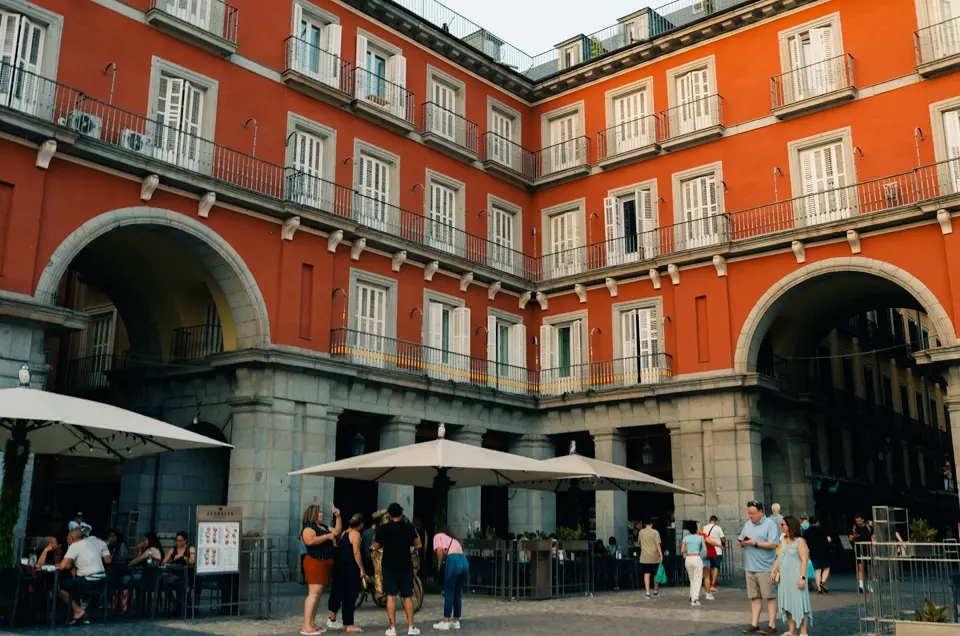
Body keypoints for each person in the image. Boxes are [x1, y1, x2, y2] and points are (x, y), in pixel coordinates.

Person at [373, 502, 423, 636]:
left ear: (389, 515)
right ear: (401, 514)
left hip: (389, 566)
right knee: (407, 597)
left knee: (391, 596)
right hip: (406, 565)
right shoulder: (409, 527)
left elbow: (375, 546)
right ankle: (411, 627)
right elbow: (419, 544)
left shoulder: (383, 529)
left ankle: (392, 628)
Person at [739, 501, 780, 635]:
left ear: (761, 512)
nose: (750, 516)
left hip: (765, 567)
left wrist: (755, 543)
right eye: (749, 513)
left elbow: (773, 544)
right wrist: (743, 543)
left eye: (753, 513)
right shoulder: (747, 524)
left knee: (770, 596)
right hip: (750, 566)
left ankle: (771, 625)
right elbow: (742, 539)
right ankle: (754, 623)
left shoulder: (770, 524)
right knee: (754, 597)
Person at [301, 504, 341, 636]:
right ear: (313, 514)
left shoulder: (323, 527)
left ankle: (312, 623)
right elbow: (310, 541)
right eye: (319, 513)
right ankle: (306, 626)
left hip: (325, 563)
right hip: (315, 562)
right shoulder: (309, 527)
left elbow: (336, 531)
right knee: (314, 593)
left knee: (317, 595)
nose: (322, 515)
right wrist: (326, 537)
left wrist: (338, 516)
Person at [772, 516, 813, 635]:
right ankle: (792, 630)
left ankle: (804, 631)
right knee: (787, 603)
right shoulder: (783, 540)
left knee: (800, 602)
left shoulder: (800, 541)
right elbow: (779, 556)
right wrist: (774, 569)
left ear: (790, 526)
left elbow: (804, 560)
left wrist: (802, 578)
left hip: (797, 575)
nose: (781, 527)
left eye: (783, 524)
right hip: (785, 578)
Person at [58, 529, 108, 625]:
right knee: (73, 582)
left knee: (59, 586)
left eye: (67, 537)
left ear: (72, 538)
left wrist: (57, 564)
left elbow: (63, 566)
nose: (66, 538)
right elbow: (69, 565)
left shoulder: (75, 546)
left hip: (90, 581)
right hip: (101, 581)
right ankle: (78, 612)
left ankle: (78, 611)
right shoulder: (88, 544)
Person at [328, 514, 366, 633]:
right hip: (350, 569)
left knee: (338, 593)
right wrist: (362, 569)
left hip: (341, 568)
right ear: (360, 524)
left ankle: (333, 617)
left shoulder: (345, 533)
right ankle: (348, 624)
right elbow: (356, 553)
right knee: (350, 597)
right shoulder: (356, 534)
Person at [432, 525, 468, 630]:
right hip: (464, 562)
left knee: (449, 591)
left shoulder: (438, 536)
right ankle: (456, 620)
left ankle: (445, 621)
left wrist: (439, 565)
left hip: (453, 561)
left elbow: (439, 550)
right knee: (457, 592)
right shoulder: (454, 540)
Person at [802, 516, 832, 594]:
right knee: (826, 568)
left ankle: (819, 588)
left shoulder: (806, 532)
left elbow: (804, 543)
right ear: (817, 522)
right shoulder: (822, 530)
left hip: (813, 553)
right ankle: (822, 582)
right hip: (824, 552)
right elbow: (827, 540)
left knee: (817, 571)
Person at [681, 523, 707, 606]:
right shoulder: (700, 538)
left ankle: (691, 595)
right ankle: (694, 599)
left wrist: (688, 550)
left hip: (688, 559)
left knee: (691, 578)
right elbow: (704, 549)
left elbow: (682, 550)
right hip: (697, 558)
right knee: (698, 579)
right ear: (696, 529)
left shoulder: (686, 538)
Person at [849, 513, 874, 593]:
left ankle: (870, 585)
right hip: (859, 549)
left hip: (868, 549)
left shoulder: (869, 528)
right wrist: (853, 537)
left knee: (869, 568)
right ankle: (861, 585)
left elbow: (873, 537)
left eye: (859, 521)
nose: (858, 522)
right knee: (860, 567)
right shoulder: (854, 528)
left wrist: (874, 546)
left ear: (863, 520)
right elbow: (850, 539)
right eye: (856, 521)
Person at [638, 520, 662, 599]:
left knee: (646, 573)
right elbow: (657, 544)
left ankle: (647, 593)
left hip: (644, 556)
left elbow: (639, 542)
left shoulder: (641, 532)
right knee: (655, 574)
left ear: (645, 524)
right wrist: (661, 554)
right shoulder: (655, 532)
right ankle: (655, 591)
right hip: (654, 556)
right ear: (652, 523)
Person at [703, 515, 725, 596]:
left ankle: (713, 583)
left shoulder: (704, 527)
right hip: (717, 550)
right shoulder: (718, 528)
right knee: (716, 567)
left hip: (708, 551)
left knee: (711, 567)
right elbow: (723, 538)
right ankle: (712, 584)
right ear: (716, 521)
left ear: (709, 520)